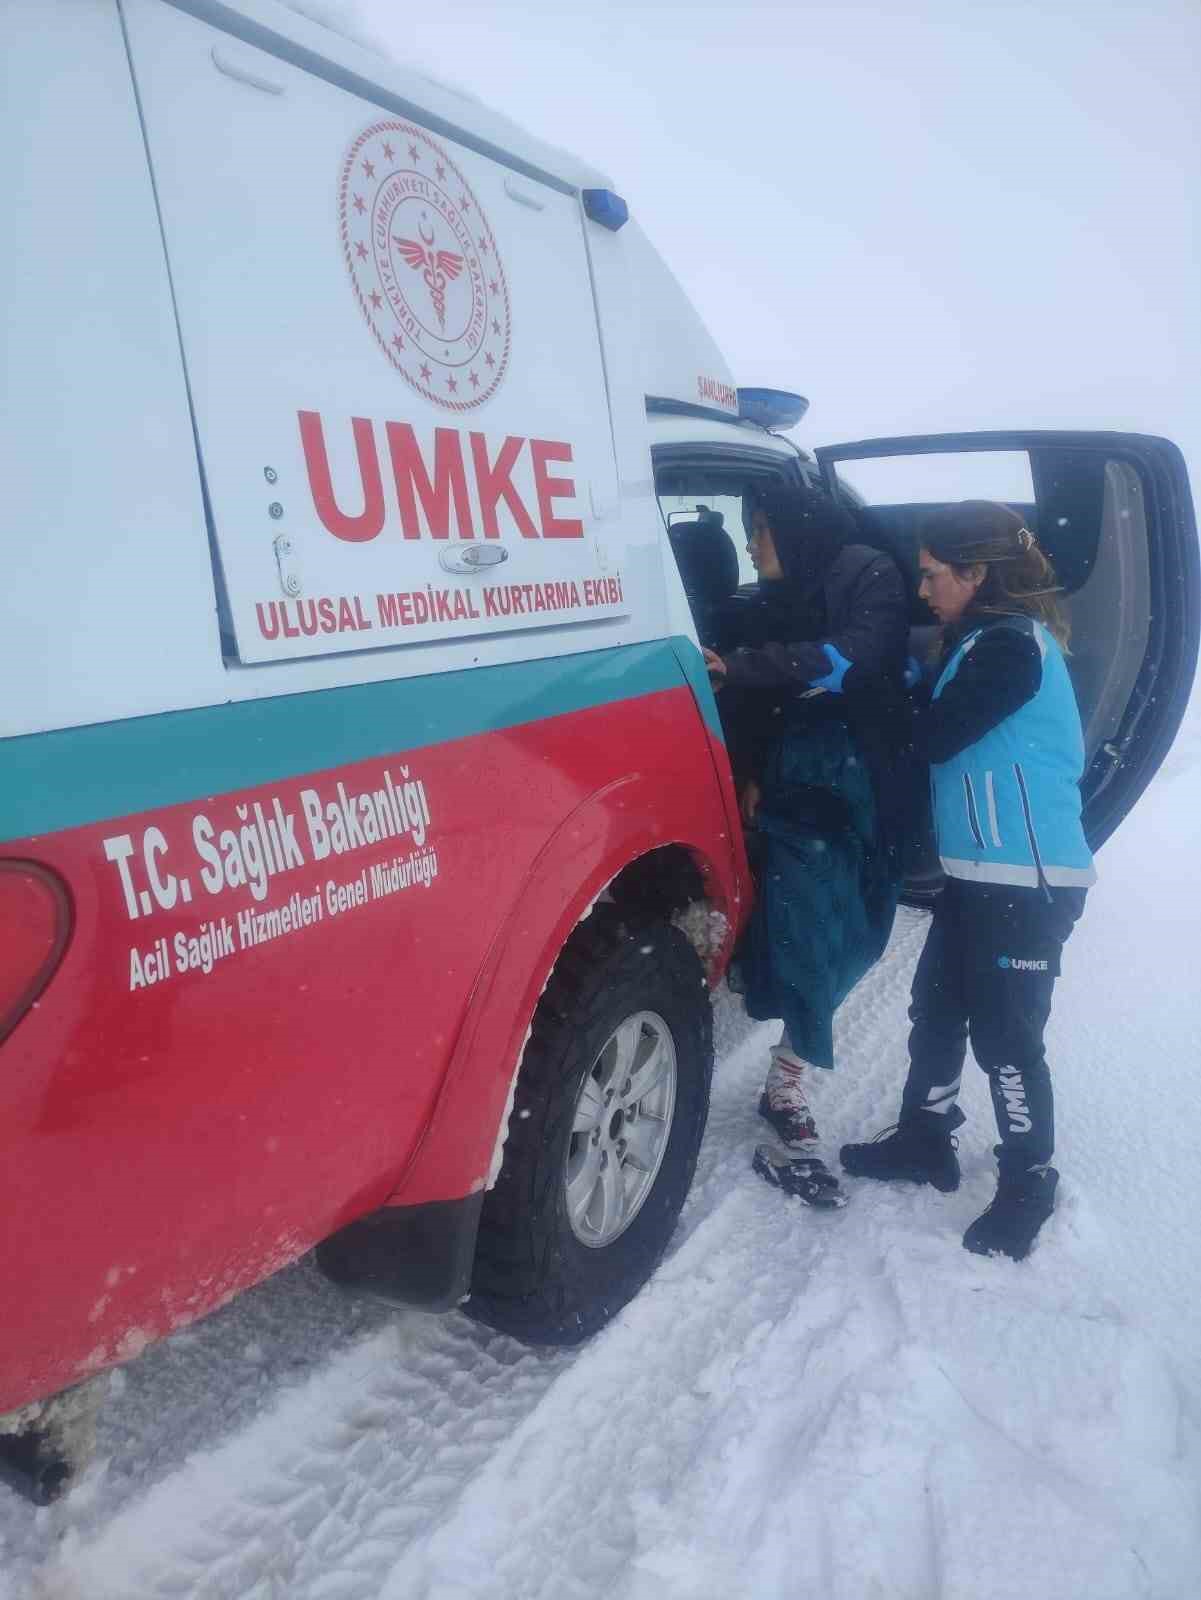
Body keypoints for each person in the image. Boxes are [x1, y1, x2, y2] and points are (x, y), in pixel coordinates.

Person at [840, 500, 1093, 1260]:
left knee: (1007, 1039)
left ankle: (1027, 1180)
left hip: (1028, 879)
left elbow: (930, 735)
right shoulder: (975, 642)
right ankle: (925, 1137)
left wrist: (857, 679)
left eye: (931, 576)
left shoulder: (1011, 646)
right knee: (937, 1010)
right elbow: (927, 714)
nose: (923, 591)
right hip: (977, 872)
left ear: (976, 573)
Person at [703, 485, 910, 1206]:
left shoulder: (865, 574)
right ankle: (787, 1085)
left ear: (796, 530)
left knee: (858, 936)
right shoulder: (764, 603)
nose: (752, 548)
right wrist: (753, 770)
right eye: (745, 532)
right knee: (804, 939)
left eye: (759, 531)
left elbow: (846, 663)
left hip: (864, 785)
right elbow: (758, 702)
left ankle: (788, 1062)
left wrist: (741, 665)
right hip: (800, 797)